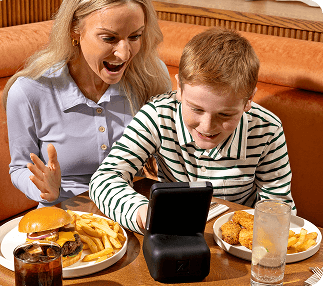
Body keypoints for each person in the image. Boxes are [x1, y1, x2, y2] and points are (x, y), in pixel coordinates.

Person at [89, 28, 296, 234]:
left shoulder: (267, 129)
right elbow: (104, 179)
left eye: (225, 115)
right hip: (172, 236)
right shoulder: (158, 116)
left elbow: (278, 208)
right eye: (196, 109)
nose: (206, 127)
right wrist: (142, 212)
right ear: (179, 88)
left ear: (248, 100)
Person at [3, 0, 171, 208]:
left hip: (133, 211)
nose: (125, 53)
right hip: (62, 217)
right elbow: (19, 167)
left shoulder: (152, 77)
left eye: (135, 36)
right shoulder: (29, 90)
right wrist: (42, 189)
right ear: (75, 30)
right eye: (109, 38)